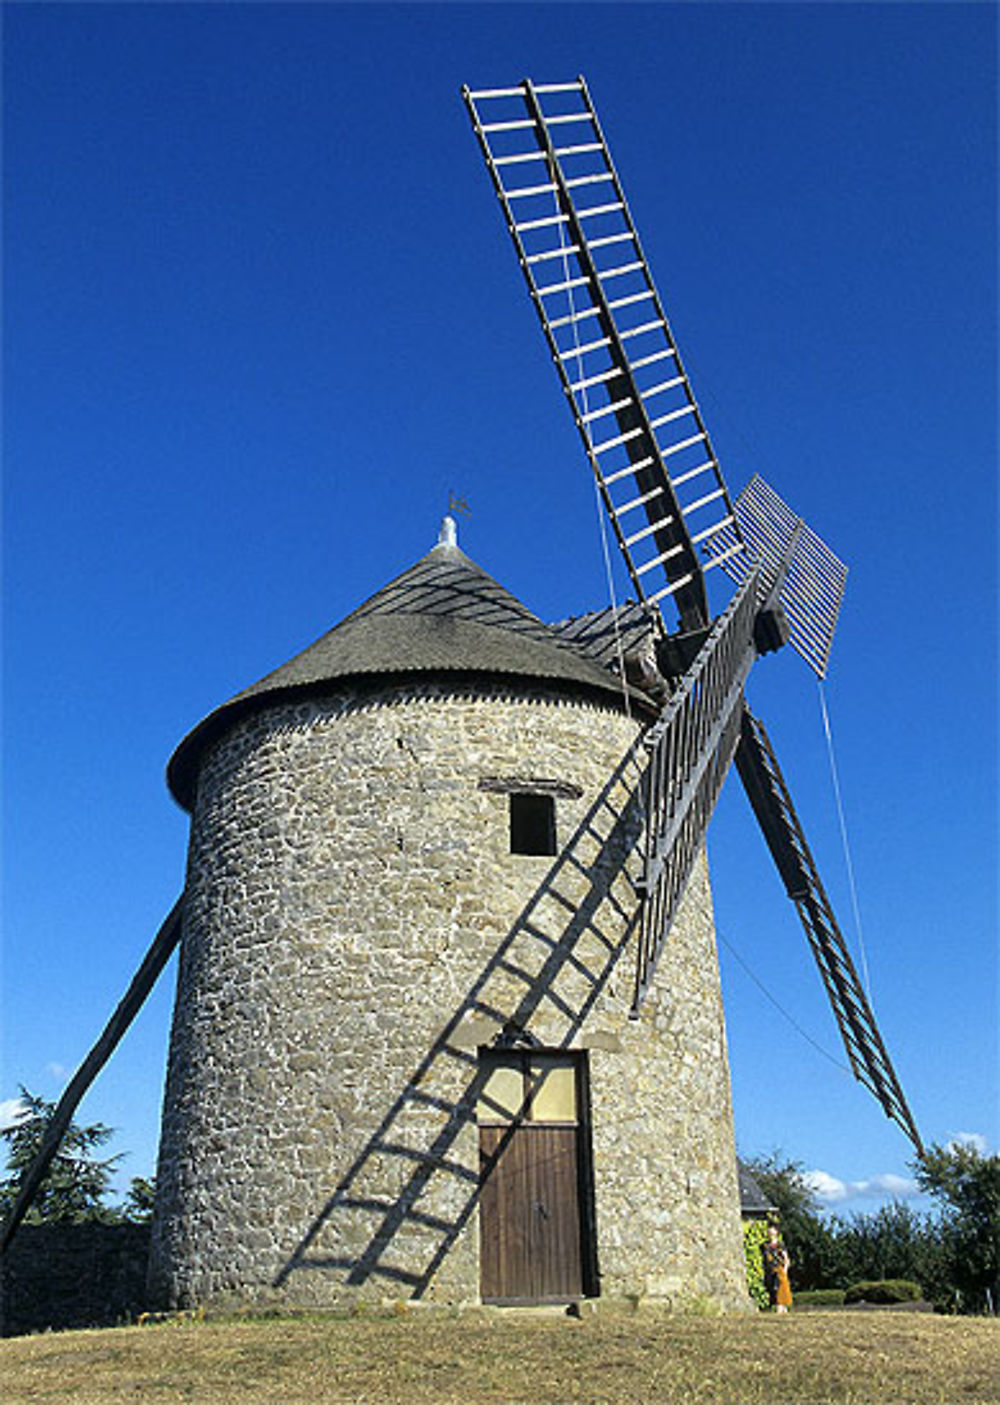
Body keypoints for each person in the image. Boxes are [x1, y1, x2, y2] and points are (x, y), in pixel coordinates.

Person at [761, 1223, 793, 1312]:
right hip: (770, 1271)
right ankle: (781, 1309)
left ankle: (781, 1309)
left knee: (780, 1291)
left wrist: (785, 1269)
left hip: (779, 1270)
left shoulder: (780, 1245)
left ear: (776, 1232)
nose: (770, 1231)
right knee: (773, 1291)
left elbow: (786, 1258)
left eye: (772, 1230)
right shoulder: (765, 1245)